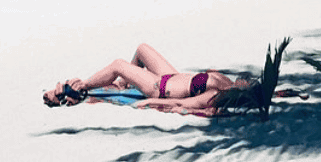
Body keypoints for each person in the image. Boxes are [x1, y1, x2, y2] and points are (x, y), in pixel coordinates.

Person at [43, 43, 249, 114]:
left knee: (118, 64)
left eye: (247, 85)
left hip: (157, 87)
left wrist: (151, 101)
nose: (245, 81)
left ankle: (81, 86)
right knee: (142, 49)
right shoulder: (225, 82)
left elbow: (182, 102)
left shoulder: (216, 95)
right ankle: (122, 83)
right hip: (171, 75)